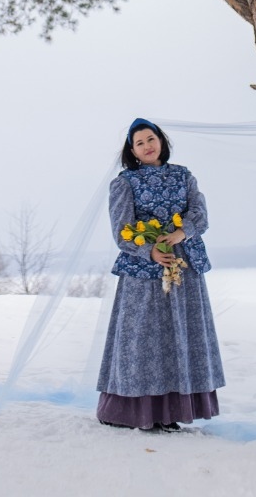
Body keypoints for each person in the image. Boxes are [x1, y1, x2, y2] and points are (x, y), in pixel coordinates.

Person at [96, 117, 225, 431]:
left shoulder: (184, 176)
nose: (147, 146)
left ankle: (172, 413)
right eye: (139, 143)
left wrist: (182, 233)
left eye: (150, 139)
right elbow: (121, 232)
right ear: (133, 151)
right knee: (144, 339)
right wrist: (150, 251)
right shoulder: (124, 183)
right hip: (145, 271)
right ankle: (135, 412)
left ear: (161, 141)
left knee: (182, 336)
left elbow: (200, 214)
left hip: (185, 267)